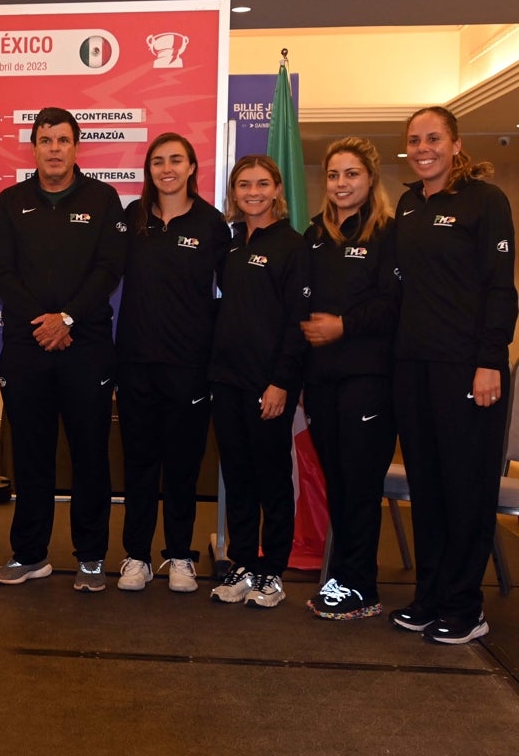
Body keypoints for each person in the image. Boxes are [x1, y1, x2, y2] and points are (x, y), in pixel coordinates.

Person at [0, 106, 127, 591]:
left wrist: (66, 318)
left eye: (62, 140)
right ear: (34, 147)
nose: (54, 149)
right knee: (30, 455)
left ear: (75, 146)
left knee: (90, 454)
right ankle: (30, 553)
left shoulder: (104, 199)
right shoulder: (10, 201)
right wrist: (43, 322)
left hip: (85, 345)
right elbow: (1, 272)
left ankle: (90, 557)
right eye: (45, 140)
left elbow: (110, 268)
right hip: (27, 347)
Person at [390, 106, 517, 643]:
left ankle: (466, 607)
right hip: (414, 369)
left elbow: (500, 287)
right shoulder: (408, 205)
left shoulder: (486, 202)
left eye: (434, 138)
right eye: (415, 140)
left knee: (467, 487)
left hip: (469, 371)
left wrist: (490, 360)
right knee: (429, 487)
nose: (423, 148)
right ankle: (432, 595)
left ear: (456, 145)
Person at [113, 133, 229, 594]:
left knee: (183, 465)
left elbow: (232, 295)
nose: (167, 168)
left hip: (189, 366)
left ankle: (180, 555)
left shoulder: (212, 223)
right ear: (148, 169)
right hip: (137, 361)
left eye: (176, 160)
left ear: (192, 167)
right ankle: (136, 556)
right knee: (139, 464)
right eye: (158, 160)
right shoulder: (133, 218)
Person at [300, 137, 398, 620]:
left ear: (370, 178)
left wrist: (343, 325)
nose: (341, 184)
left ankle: (360, 585)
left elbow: (394, 305)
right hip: (320, 380)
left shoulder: (387, 234)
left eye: (351, 174)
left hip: (368, 379)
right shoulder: (315, 233)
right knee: (337, 482)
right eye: (334, 175)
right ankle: (346, 576)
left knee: (359, 484)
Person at [208, 155, 308, 609]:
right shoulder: (229, 246)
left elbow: (296, 322)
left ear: (276, 189)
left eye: (262, 184)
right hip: (226, 381)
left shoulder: (293, 245)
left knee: (272, 479)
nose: (253, 192)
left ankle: (272, 572)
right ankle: (244, 563)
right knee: (239, 476)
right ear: (234, 192)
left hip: (268, 386)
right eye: (244, 184)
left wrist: (281, 382)